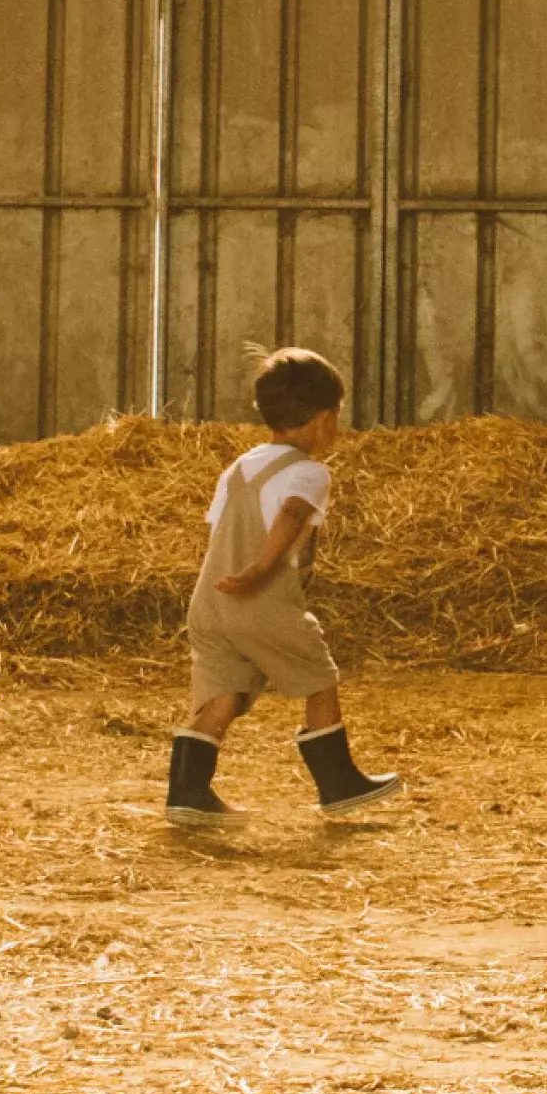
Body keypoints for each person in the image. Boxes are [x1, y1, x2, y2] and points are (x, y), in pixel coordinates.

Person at [168, 347, 406, 824]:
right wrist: (260, 570)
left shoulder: (238, 467)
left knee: (224, 693)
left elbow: (219, 527)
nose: (336, 429)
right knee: (319, 677)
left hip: (210, 601)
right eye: (336, 418)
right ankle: (338, 784)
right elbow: (292, 513)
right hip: (258, 598)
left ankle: (187, 792)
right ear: (320, 420)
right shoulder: (310, 472)